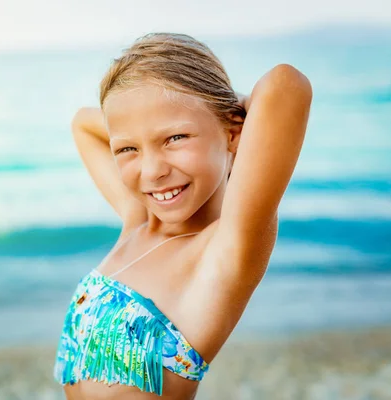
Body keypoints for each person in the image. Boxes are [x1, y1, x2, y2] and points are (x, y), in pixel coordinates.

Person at [53, 32, 312, 399]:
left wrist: (217, 110)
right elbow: (83, 123)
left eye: (175, 138)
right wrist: (161, 110)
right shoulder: (137, 222)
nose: (152, 171)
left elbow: (286, 85)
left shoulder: (224, 251)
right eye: (128, 148)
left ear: (236, 131)